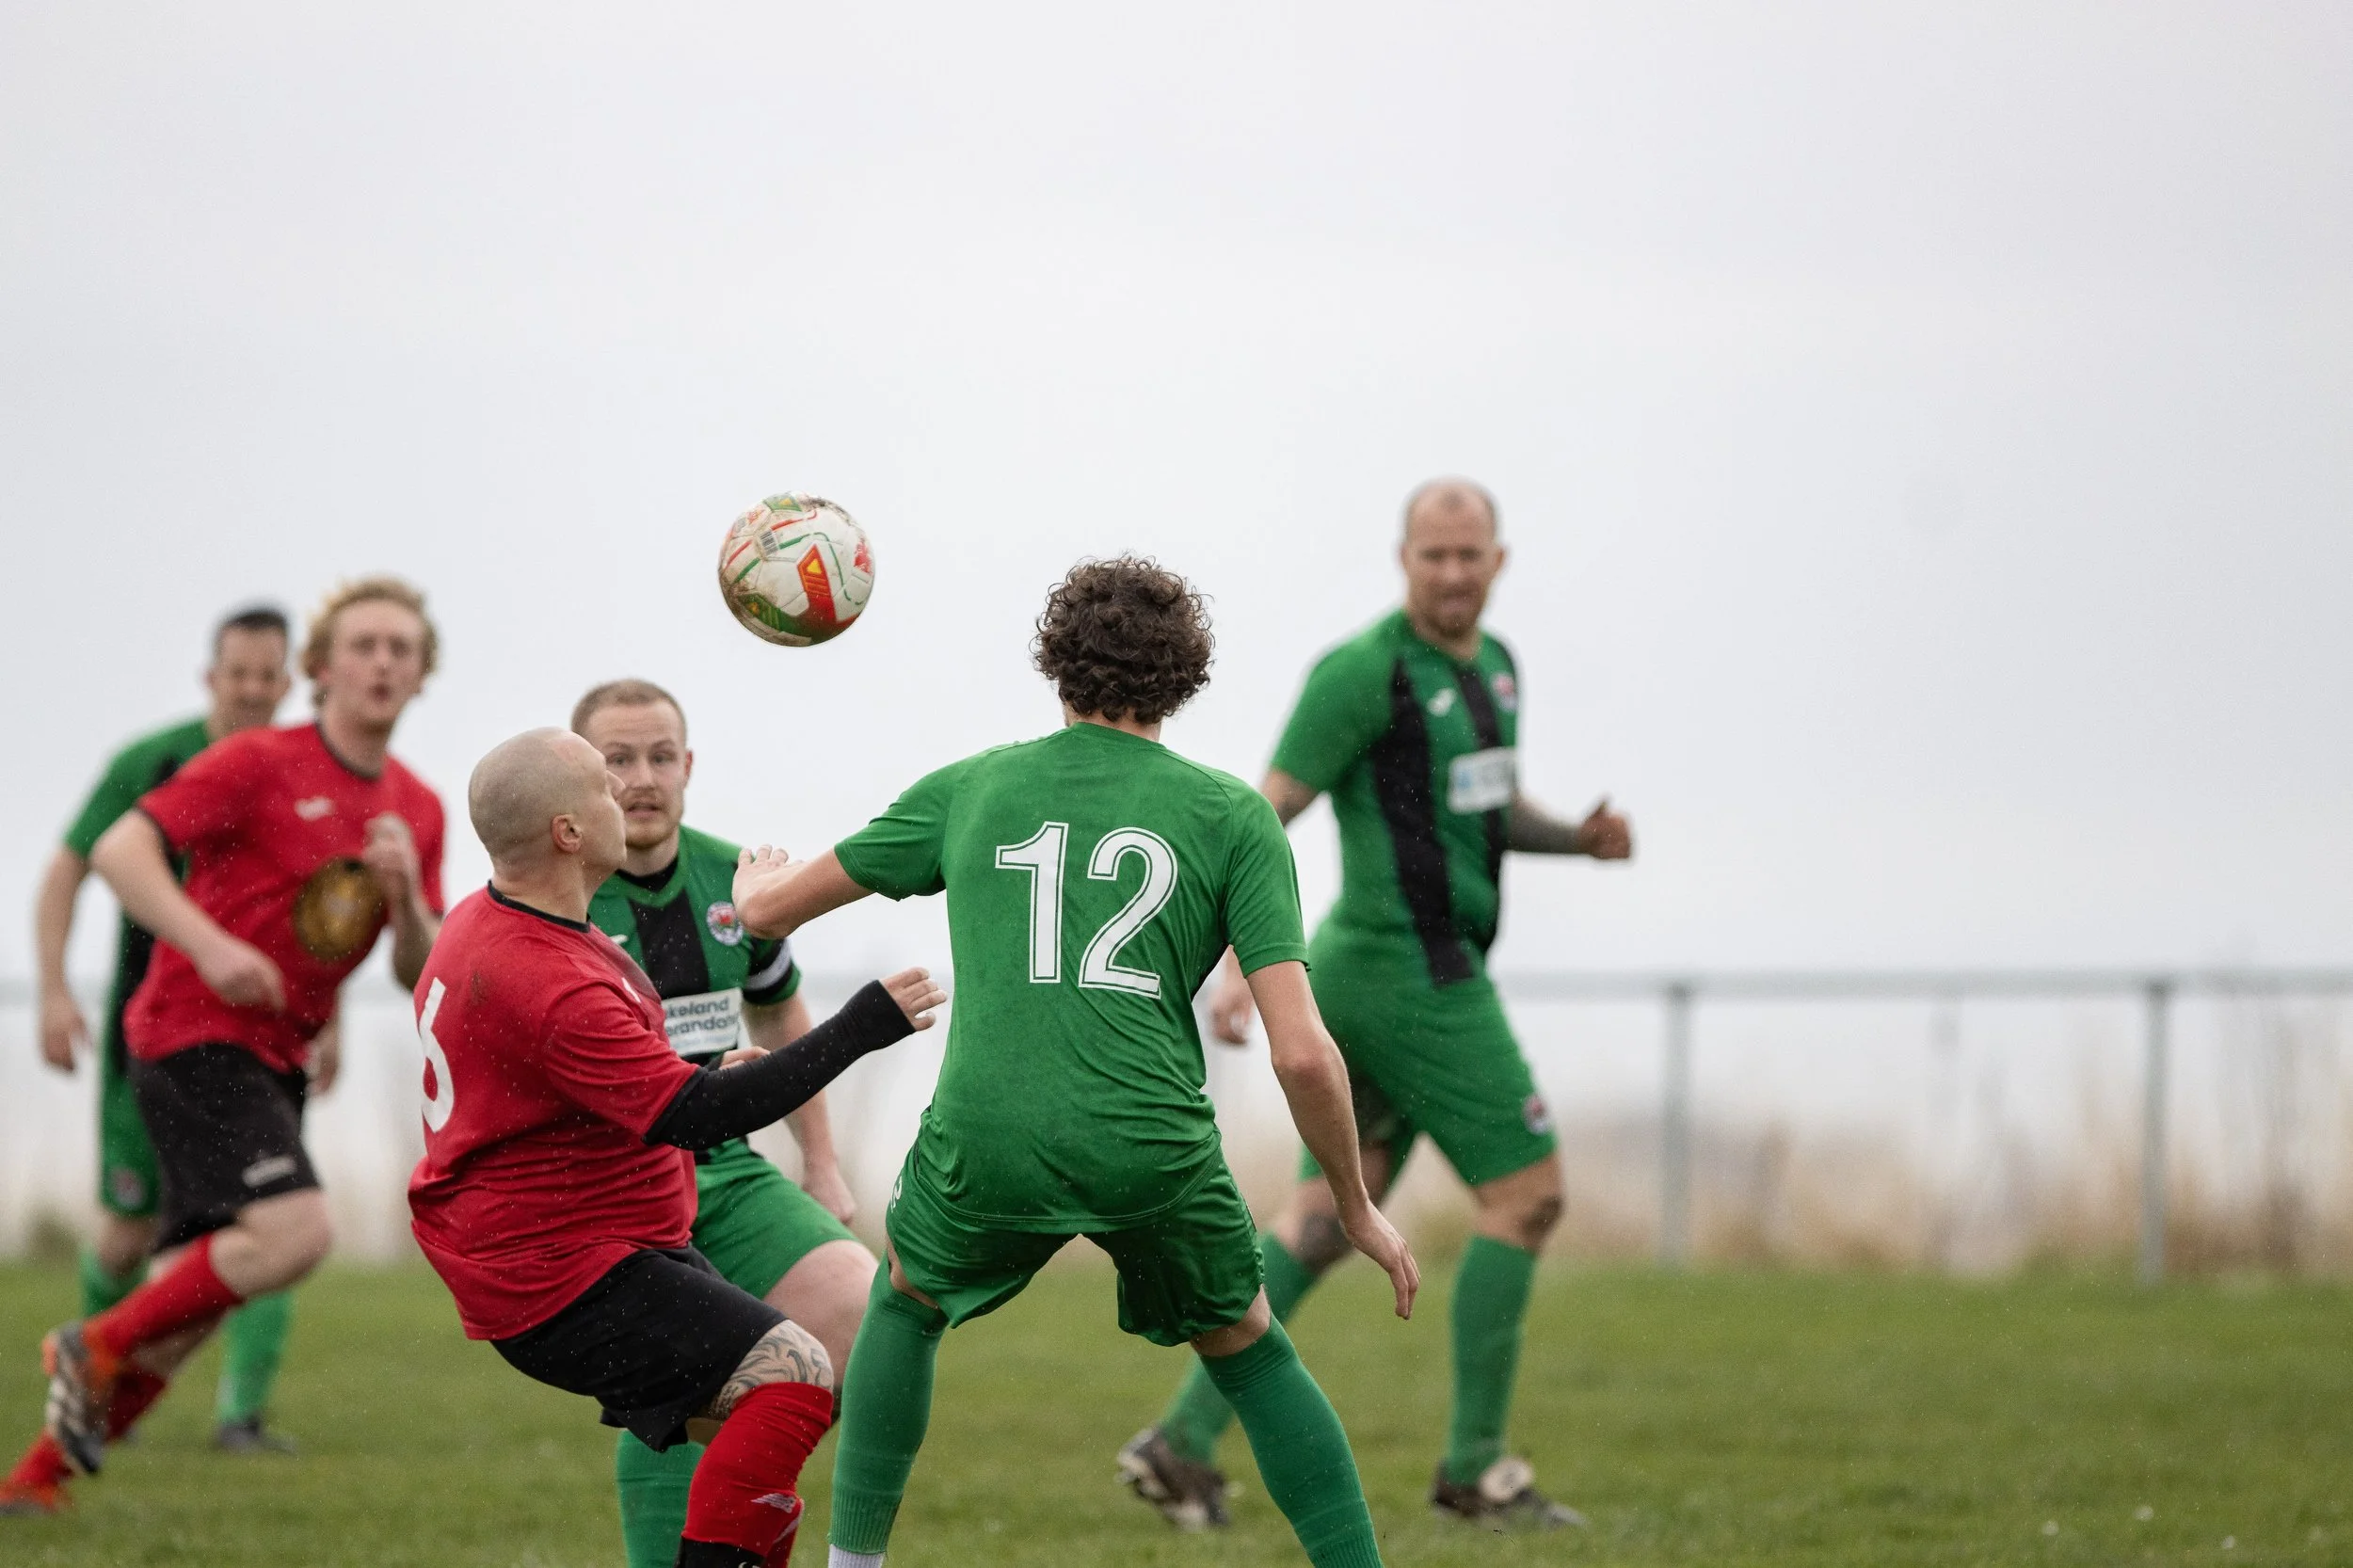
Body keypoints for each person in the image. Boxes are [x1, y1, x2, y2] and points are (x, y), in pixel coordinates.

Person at [732, 555, 1421, 1568]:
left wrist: (756, 883)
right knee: (1249, 1347)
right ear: (1184, 678)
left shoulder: (973, 787)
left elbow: (768, 913)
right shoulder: (1234, 816)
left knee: (907, 1304)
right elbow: (1305, 1053)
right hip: (1151, 1143)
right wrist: (1354, 1204)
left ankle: (854, 1563)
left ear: (1055, 666)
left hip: (992, 1132)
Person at [1122, 479, 1633, 1531]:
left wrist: (1572, 841)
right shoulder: (1362, 672)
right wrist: (1225, 965)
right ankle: (1475, 1473)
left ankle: (1178, 1444)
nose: (1451, 572)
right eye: (1432, 555)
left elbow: (1485, 808)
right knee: (1527, 1194)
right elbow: (1258, 816)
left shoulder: (1494, 669)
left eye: (1468, 554)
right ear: (1402, 559)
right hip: (1406, 976)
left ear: (1499, 560)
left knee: (1318, 1222)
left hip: (1403, 974)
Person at [409, 728, 943, 1568]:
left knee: (765, 1400)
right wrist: (860, 1027)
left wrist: (703, 1075)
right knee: (792, 1373)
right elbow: (693, 1117)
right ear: (568, 833)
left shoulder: (504, 917)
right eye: (602, 780)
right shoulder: (545, 975)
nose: (624, 792)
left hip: (587, 1246)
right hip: (557, 1269)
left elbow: (600, 1090)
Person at [4, 578, 447, 1513]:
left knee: (192, 1308)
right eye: (363, 644)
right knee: (297, 1231)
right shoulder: (254, 759)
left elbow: (416, 969)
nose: (381, 662)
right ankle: (92, 1339)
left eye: (401, 649)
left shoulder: (417, 808)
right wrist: (212, 947)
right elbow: (122, 849)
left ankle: (33, 1485)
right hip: (188, 1031)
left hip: (274, 1056)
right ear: (320, 669)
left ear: (420, 676)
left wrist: (407, 899)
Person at [570, 680, 881, 1568]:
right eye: (617, 761)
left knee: (862, 1315)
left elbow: (783, 1016)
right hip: (615, 1186)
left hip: (728, 1168)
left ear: (688, 765)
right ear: (582, 779)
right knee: (685, 1369)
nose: (641, 778)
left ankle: (728, 1526)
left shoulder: (735, 878)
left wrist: (819, 1160)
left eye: (660, 756)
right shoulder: (558, 900)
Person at [24, 605, 314, 1462]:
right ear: (211, 677)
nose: (256, 690)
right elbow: (68, 869)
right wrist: (50, 991)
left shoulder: (297, 772)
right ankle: (95, 1384)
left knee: (279, 1215)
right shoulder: (151, 762)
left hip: (265, 1047)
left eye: (271, 675)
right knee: (124, 1234)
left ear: (289, 682)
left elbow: (318, 920)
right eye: (240, 674)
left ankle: (242, 1419)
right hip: (150, 1042)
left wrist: (321, 1021)